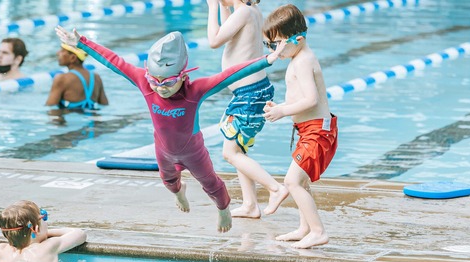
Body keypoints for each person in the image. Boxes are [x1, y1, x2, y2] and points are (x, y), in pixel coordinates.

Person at [55, 26, 285, 233]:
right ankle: (180, 192)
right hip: (163, 150)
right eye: (155, 80)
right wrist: (82, 42)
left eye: (167, 82)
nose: (159, 87)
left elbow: (229, 75)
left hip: (194, 152)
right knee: (168, 181)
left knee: (211, 185)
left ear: (183, 75)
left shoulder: (196, 90)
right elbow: (115, 62)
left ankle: (224, 209)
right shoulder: (146, 84)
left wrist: (268, 59)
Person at [262, 5, 338, 249]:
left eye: (277, 45)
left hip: (318, 132)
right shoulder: (297, 57)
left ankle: (318, 231)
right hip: (310, 130)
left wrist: (282, 111)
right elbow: (301, 99)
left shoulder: (304, 60)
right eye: (269, 46)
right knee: (301, 182)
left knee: (292, 181)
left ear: (299, 39)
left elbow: (312, 100)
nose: (275, 51)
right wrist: (281, 106)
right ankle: (305, 227)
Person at [207, 0, 287, 219]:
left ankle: (275, 188)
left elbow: (214, 40)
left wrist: (212, 7)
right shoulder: (250, 11)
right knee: (239, 149)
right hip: (250, 93)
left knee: (230, 152)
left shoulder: (244, 14)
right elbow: (228, 34)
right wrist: (224, 7)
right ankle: (250, 205)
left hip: (249, 96)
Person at [0, 200, 87, 262]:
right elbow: (79, 234)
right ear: (36, 228)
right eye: (44, 217)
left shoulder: (2, 251)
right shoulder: (49, 246)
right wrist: (49, 233)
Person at [45, 43, 109, 111]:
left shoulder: (62, 79)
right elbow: (104, 104)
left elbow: (51, 108)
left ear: (73, 58)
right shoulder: (96, 77)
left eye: (62, 51)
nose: (58, 53)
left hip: (71, 120)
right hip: (92, 120)